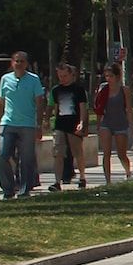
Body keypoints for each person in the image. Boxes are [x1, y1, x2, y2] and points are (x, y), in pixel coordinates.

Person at [0, 50, 44, 199]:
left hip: (27, 124)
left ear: (26, 64)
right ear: (12, 63)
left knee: (26, 158)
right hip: (8, 122)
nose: (19, 64)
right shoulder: (5, 79)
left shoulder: (33, 80)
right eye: (16, 61)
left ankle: (24, 189)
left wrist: (39, 124)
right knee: (2, 157)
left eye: (22, 61)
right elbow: (1, 102)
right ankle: (8, 189)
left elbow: (39, 102)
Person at [46, 62, 89, 192]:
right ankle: (57, 181)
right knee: (58, 153)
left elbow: (83, 108)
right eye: (60, 76)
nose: (62, 78)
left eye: (65, 75)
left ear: (72, 75)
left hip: (74, 124)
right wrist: (46, 119)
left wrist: (82, 123)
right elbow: (53, 106)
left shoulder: (79, 90)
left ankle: (82, 177)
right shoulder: (56, 90)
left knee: (77, 152)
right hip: (60, 124)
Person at [94, 63, 133, 183]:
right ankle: (108, 181)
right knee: (106, 153)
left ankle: (128, 172)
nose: (108, 79)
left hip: (121, 123)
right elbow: (99, 107)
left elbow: (128, 109)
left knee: (121, 154)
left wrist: (132, 125)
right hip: (106, 122)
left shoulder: (124, 90)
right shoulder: (103, 88)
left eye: (111, 76)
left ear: (117, 76)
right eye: (106, 76)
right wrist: (98, 124)